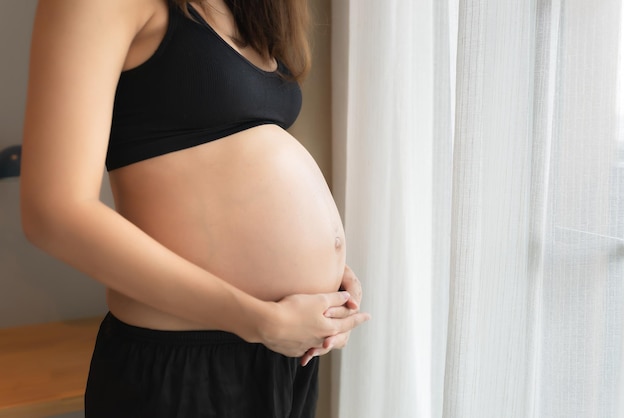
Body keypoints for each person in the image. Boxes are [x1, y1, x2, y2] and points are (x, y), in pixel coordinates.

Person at [20, 0, 370, 417]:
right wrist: (256, 319)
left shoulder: (247, 8)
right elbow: (53, 213)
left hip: (283, 353)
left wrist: (327, 275)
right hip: (190, 362)